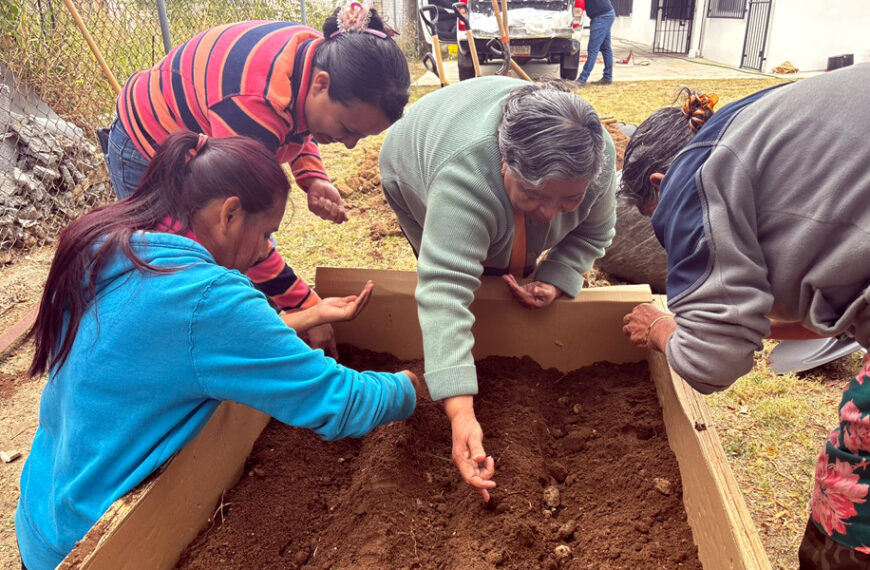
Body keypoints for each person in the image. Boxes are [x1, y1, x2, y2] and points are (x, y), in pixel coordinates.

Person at [15, 131, 420, 570]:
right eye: (267, 234)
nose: (267, 250)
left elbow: (173, 350)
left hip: (43, 520)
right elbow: (338, 403)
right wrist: (414, 386)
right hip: (97, 546)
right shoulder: (207, 298)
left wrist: (300, 319)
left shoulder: (109, 243)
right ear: (229, 213)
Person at [618, 64, 870, 569]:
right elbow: (834, 289)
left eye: (657, 223)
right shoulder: (763, 124)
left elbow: (712, 366)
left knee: (854, 500)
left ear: (659, 183)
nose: (668, 238)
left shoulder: (694, 177)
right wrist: (759, 326)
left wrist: (662, 328)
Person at [105, 2, 411, 357]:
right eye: (346, 129)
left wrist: (312, 177)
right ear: (321, 84)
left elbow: (299, 121)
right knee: (181, 275)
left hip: (215, 135)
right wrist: (306, 306)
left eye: (359, 136)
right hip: (150, 141)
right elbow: (246, 231)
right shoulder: (255, 101)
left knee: (236, 268)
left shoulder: (321, 57)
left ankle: (248, 342)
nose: (348, 144)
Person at [379, 77, 617, 500]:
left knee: (508, 256)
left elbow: (595, 232)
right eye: (534, 194)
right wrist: (461, 411)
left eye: (568, 200)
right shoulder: (464, 175)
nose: (549, 213)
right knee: (471, 267)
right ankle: (456, 363)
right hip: (410, 161)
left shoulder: (594, 162)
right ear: (505, 161)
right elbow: (445, 289)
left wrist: (557, 277)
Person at [576, 0, 614, 85]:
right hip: (608, 13)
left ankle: (582, 79)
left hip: (601, 17)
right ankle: (608, 77)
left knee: (593, 49)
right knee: (605, 48)